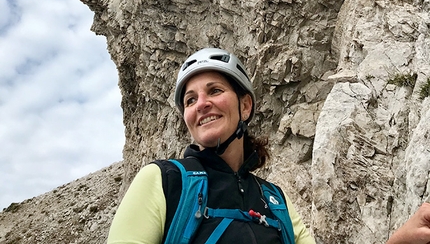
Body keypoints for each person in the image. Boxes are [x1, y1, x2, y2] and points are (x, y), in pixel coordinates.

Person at [107, 48, 430, 244]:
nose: (201, 104)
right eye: (191, 100)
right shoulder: (164, 179)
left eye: (215, 90)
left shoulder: (273, 198)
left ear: (245, 106)